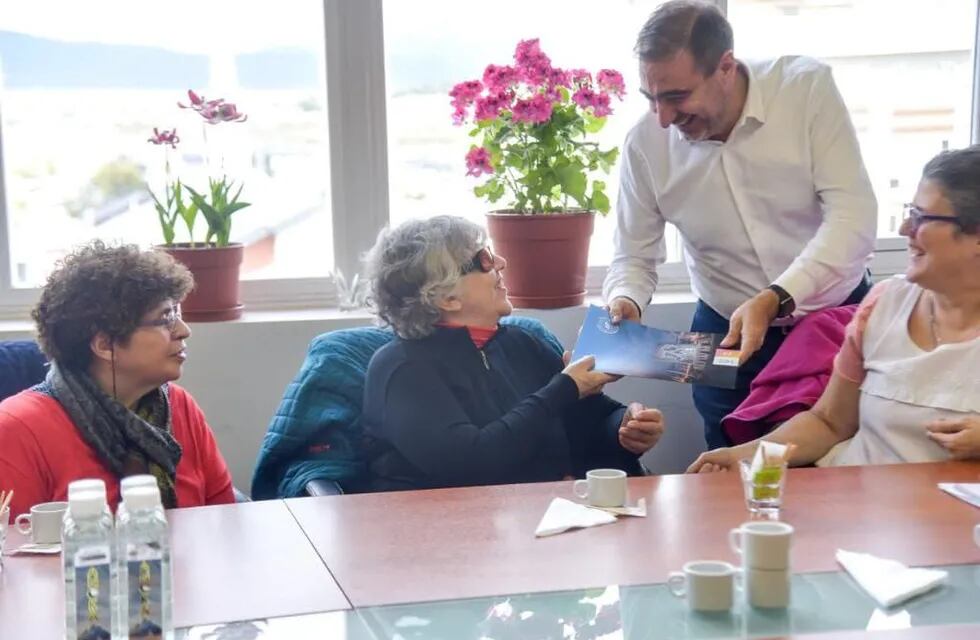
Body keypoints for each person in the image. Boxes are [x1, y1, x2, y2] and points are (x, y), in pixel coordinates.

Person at [602, 0, 877, 449]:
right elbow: (633, 255)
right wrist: (626, 300)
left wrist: (775, 298)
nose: (664, 118)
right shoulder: (644, 144)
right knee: (725, 472)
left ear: (726, 66)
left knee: (838, 473)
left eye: (676, 97)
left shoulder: (805, 89)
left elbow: (854, 217)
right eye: (650, 99)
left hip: (832, 322)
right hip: (723, 335)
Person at [688, 145, 980, 471]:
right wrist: (741, 457)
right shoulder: (883, 304)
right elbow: (829, 422)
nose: (903, 230)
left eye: (921, 218)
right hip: (851, 504)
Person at [361, 216, 665, 491]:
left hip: (538, 523)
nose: (501, 262)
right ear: (446, 297)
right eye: (484, 260)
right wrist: (564, 388)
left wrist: (626, 429)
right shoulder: (402, 370)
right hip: (441, 535)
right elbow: (472, 465)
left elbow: (588, 424)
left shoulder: (523, 343)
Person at [0, 241, 235, 521]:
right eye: (165, 318)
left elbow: (224, 520)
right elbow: (13, 553)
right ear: (105, 345)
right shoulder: (17, 429)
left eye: (178, 313)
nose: (183, 331)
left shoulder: (180, 406)